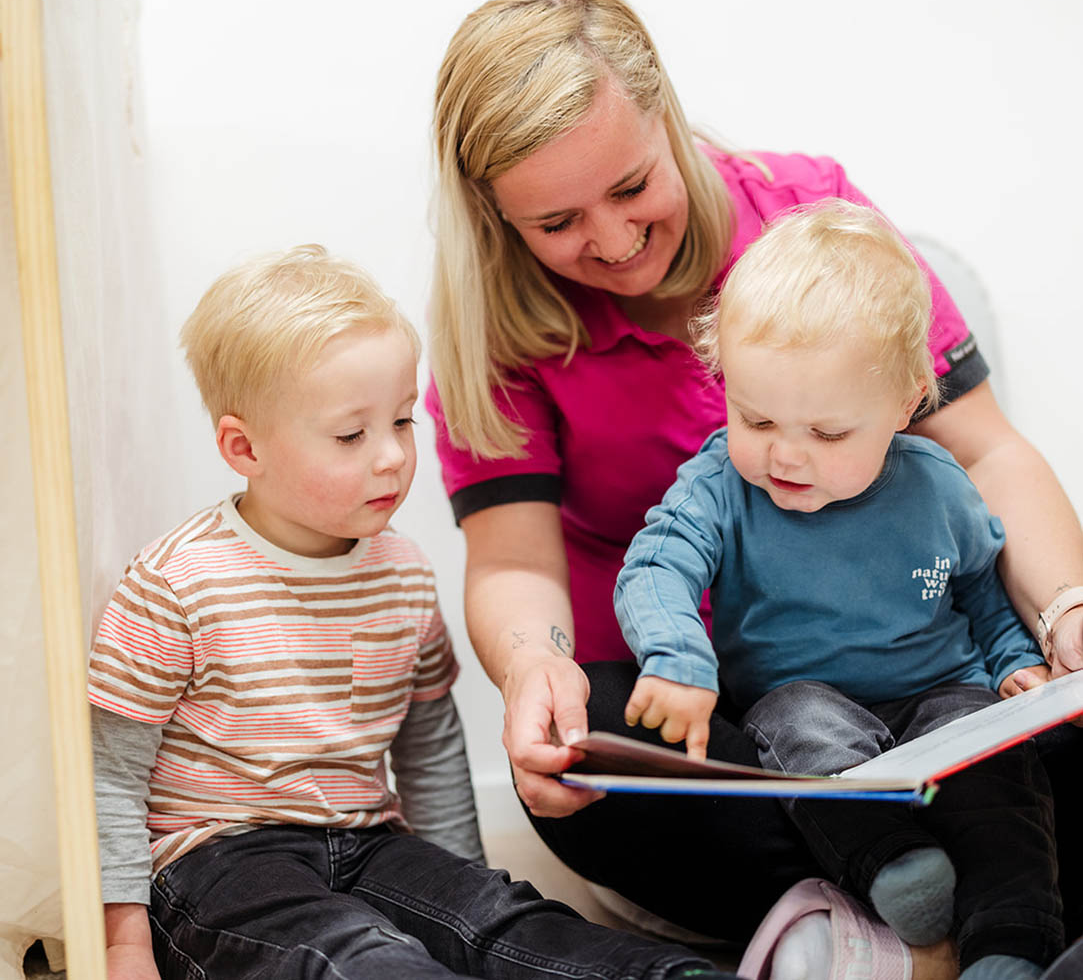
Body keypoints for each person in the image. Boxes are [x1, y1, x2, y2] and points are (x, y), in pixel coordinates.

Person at [425, 0, 1083, 967]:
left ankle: (914, 898)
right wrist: (533, 667)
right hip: (689, 697)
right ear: (497, 218)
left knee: (1026, 722)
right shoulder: (501, 339)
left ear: (668, 120)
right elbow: (513, 560)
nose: (612, 240)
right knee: (596, 766)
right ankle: (942, 884)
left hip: (912, 669)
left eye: (633, 185)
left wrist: (1067, 612)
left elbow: (985, 452)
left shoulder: (812, 224)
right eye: (557, 224)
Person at [87, 245, 738, 980]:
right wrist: (121, 940)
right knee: (361, 956)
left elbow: (427, 743)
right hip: (220, 858)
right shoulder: (175, 581)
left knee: (513, 923)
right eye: (350, 435)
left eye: (401, 421)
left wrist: (462, 889)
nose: (393, 456)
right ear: (244, 447)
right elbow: (111, 774)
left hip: (368, 838)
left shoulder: (401, 570)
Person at [614, 200, 1062, 980]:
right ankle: (898, 866)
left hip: (940, 690)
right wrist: (676, 656)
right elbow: (655, 566)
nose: (786, 455)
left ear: (902, 404)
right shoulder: (721, 482)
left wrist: (1012, 659)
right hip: (800, 694)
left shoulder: (937, 487)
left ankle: (1011, 940)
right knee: (800, 729)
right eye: (756, 417)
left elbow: (980, 591)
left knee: (997, 776)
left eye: (826, 433)